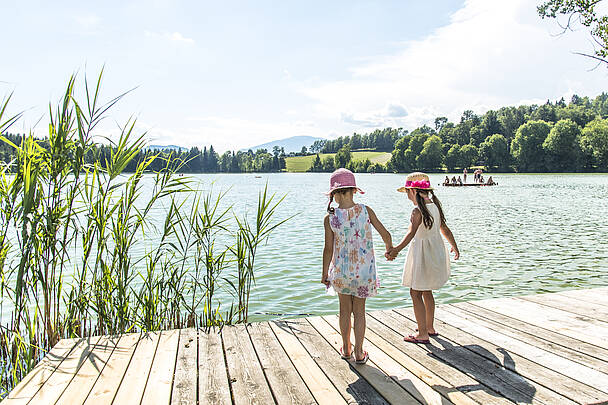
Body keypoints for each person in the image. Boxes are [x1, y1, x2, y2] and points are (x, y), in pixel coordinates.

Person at [322, 168, 393, 363]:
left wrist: (324, 274)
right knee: (359, 312)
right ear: (354, 190)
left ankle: (346, 349)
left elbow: (328, 249)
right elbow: (386, 234)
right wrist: (389, 250)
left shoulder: (330, 218)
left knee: (344, 310)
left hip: (341, 273)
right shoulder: (365, 211)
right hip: (364, 272)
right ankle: (360, 353)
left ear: (335, 194)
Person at [387, 172, 460, 343]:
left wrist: (396, 249)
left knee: (415, 292)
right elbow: (445, 230)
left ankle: (422, 334)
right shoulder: (434, 206)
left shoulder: (417, 211)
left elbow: (410, 234)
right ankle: (429, 327)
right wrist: (455, 247)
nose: (407, 197)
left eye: (407, 193)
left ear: (413, 192)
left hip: (422, 255)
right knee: (426, 291)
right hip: (435, 252)